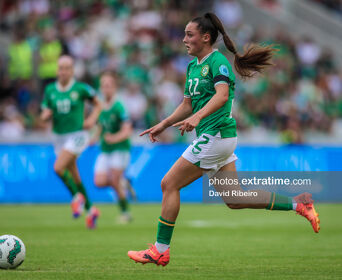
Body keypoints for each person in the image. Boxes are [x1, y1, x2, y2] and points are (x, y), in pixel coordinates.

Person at [127, 13, 320, 266]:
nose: (184, 39)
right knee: (235, 199)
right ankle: (299, 204)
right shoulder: (193, 66)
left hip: (214, 136)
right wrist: (164, 124)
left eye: (189, 34)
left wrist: (197, 118)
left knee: (169, 184)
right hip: (219, 138)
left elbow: (221, 96)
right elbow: (187, 104)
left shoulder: (217, 62)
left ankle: (160, 250)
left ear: (205, 38)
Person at [40, 55, 102, 229]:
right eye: (61, 68)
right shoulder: (50, 89)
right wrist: (45, 115)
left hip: (77, 135)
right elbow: (45, 110)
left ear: (72, 70)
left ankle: (77, 198)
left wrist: (92, 119)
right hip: (59, 137)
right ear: (57, 70)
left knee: (58, 168)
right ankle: (91, 211)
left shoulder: (81, 88)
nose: (63, 71)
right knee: (74, 176)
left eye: (67, 68)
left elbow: (98, 104)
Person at [92, 72, 133, 223]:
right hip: (105, 149)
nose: (105, 89)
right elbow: (100, 126)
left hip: (120, 149)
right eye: (103, 86)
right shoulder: (100, 106)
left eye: (108, 86)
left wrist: (114, 138)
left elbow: (127, 130)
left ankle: (125, 213)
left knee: (114, 180)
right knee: (99, 182)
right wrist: (94, 138)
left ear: (114, 88)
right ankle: (123, 183)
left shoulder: (119, 106)